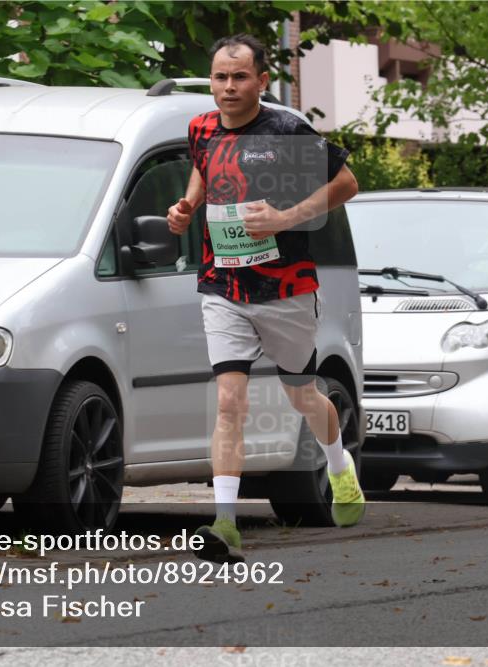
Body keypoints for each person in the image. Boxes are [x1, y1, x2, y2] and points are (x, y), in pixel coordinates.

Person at [167, 34, 363, 564]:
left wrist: (283, 218)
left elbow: (347, 183)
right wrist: (186, 206)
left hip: (285, 287)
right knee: (230, 401)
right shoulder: (200, 127)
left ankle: (339, 467)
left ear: (261, 80)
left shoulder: (286, 128)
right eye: (219, 77)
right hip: (221, 283)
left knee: (301, 394)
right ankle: (225, 522)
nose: (227, 88)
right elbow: (203, 170)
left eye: (239, 78)